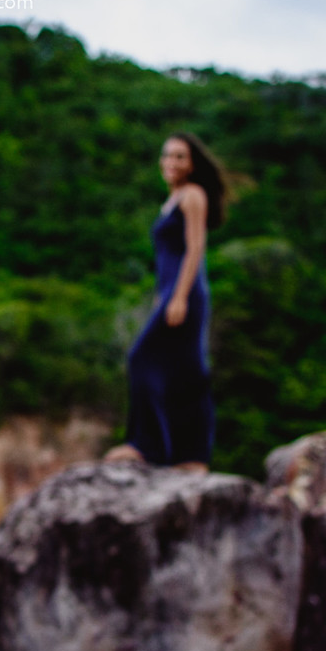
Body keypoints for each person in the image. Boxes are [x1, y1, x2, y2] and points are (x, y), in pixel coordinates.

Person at [105, 133, 228, 472]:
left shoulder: (192, 195)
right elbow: (166, 256)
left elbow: (195, 248)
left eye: (179, 157)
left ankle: (148, 447)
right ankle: (188, 455)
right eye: (167, 156)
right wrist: (164, 294)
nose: (170, 163)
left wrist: (179, 296)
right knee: (182, 370)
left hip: (186, 293)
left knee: (143, 359)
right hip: (172, 292)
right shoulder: (172, 198)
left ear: (192, 164)